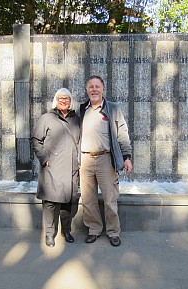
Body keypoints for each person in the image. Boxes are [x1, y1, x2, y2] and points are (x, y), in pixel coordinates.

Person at [80, 76, 133, 247]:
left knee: (110, 198)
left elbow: (122, 135)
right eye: (91, 87)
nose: (94, 90)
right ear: (87, 89)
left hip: (105, 159)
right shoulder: (82, 109)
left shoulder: (113, 109)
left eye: (97, 86)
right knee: (88, 199)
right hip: (85, 159)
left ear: (103, 89)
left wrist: (127, 158)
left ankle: (113, 232)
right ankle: (94, 229)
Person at [31, 88, 80, 247]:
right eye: (60, 98)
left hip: (71, 168)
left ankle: (66, 231)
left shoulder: (76, 120)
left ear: (70, 100)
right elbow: (36, 140)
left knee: (68, 203)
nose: (63, 101)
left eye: (66, 98)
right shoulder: (46, 118)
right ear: (55, 100)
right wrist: (45, 159)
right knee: (50, 203)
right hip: (52, 168)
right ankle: (49, 234)